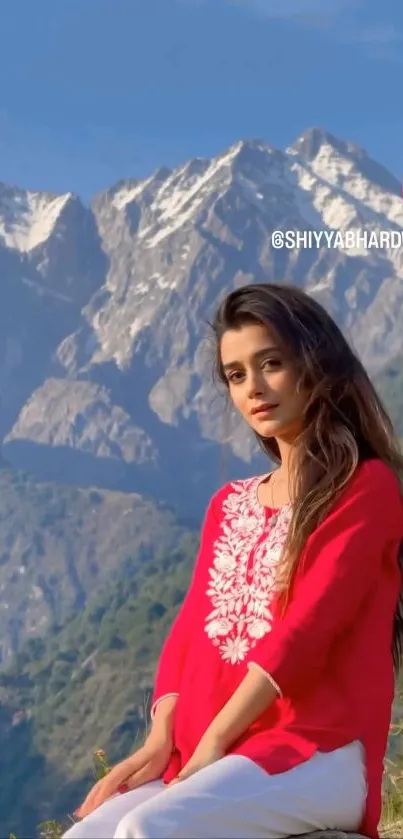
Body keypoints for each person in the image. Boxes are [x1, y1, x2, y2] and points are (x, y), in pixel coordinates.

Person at [63, 282, 403, 839]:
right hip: (221, 756)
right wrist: (161, 741)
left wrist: (216, 742)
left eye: (271, 363)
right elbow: (190, 629)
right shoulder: (230, 503)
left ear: (316, 365)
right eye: (237, 375)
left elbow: (307, 629)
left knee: (148, 830)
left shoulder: (365, 487)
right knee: (87, 836)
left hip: (318, 752)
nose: (255, 388)